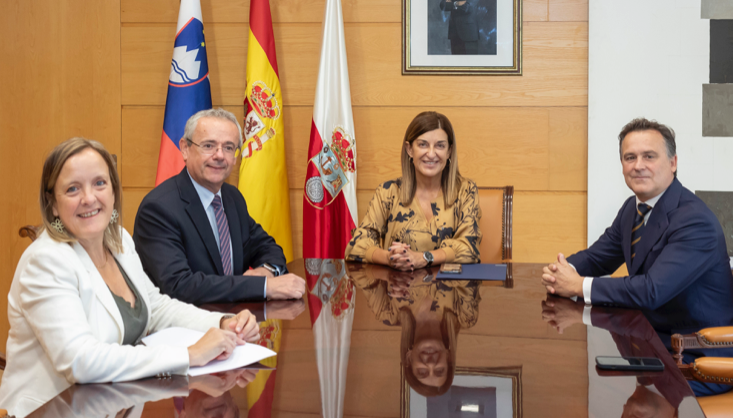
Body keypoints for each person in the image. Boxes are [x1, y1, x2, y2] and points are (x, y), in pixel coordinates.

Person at [0, 138, 261, 418]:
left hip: (115, 403)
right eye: (73, 188)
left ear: (113, 192)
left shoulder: (118, 240)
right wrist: (189, 355)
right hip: (54, 410)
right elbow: (80, 362)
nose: (89, 198)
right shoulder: (45, 261)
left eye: (100, 183)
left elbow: (156, 307)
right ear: (52, 204)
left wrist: (222, 323)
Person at [541, 118, 733, 327]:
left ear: (673, 163)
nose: (638, 166)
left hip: (689, 347)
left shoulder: (695, 221)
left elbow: (651, 290)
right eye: (630, 157)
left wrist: (579, 285)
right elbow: (598, 258)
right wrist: (561, 271)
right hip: (645, 332)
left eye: (649, 156)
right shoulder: (632, 208)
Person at [133, 108, 305, 305]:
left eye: (229, 147)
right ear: (185, 149)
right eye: (209, 145)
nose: (220, 155)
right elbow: (179, 286)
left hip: (235, 323)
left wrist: (266, 271)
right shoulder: (158, 209)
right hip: (186, 329)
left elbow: (268, 247)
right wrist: (264, 287)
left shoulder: (232, 198)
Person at [344, 111, 482, 271]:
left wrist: (424, 258)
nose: (431, 153)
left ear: (449, 151)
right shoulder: (388, 192)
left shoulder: (465, 191)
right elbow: (355, 247)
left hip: (449, 292)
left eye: (440, 145)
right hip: (398, 290)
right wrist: (390, 258)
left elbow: (470, 249)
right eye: (423, 144)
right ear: (409, 149)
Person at [349, 263, 481, 396]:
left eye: (422, 372)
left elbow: (355, 269)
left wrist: (389, 274)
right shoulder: (465, 316)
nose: (430, 364)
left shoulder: (387, 313)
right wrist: (424, 275)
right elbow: (469, 268)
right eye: (439, 370)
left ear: (408, 359)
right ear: (448, 357)